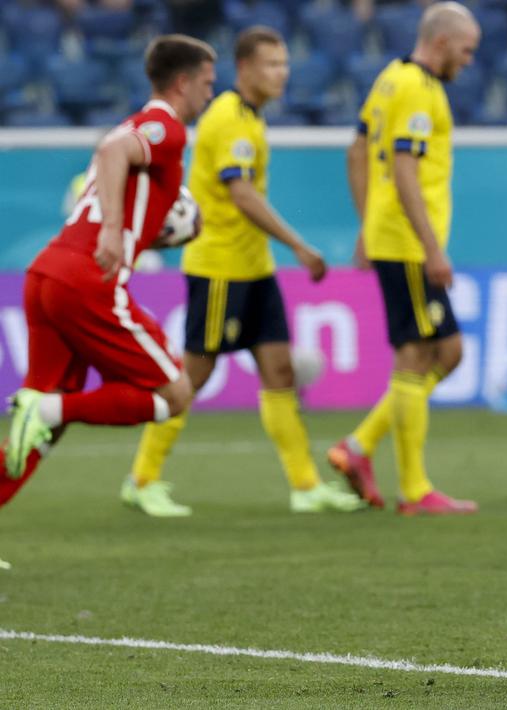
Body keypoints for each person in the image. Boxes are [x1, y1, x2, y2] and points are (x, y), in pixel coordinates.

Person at [121, 27, 364, 517]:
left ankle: (305, 485)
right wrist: (299, 245)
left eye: (285, 63)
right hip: (220, 270)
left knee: (278, 371)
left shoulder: (250, 119)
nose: (283, 73)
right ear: (246, 68)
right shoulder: (229, 119)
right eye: (272, 64)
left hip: (254, 270)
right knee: (193, 374)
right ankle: (142, 479)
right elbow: (242, 195)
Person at [3, 35, 216, 508]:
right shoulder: (167, 126)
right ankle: (46, 407)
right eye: (207, 82)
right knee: (173, 393)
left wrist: (142, 233)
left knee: (41, 430)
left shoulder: (142, 124)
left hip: (49, 272)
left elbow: (117, 165)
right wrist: (115, 233)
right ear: (182, 82)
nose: (210, 93)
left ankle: (44, 409)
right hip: (86, 281)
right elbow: (111, 151)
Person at [327, 3, 480, 516]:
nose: (469, 59)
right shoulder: (417, 88)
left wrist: (367, 225)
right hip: (411, 242)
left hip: (392, 234)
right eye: (466, 49)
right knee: (418, 354)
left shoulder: (389, 79)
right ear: (441, 42)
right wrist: (432, 248)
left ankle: (360, 445)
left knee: (447, 351)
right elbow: (405, 169)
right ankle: (414, 489)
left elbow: (355, 151)